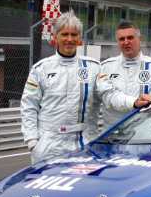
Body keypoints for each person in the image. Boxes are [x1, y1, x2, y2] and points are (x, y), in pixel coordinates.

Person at [21, 11, 100, 164]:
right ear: (55, 37)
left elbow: (109, 95)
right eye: (64, 34)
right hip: (49, 146)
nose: (69, 39)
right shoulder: (41, 69)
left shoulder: (93, 67)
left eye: (74, 35)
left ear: (80, 39)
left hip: (82, 144)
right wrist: (32, 142)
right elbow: (29, 106)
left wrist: (133, 101)